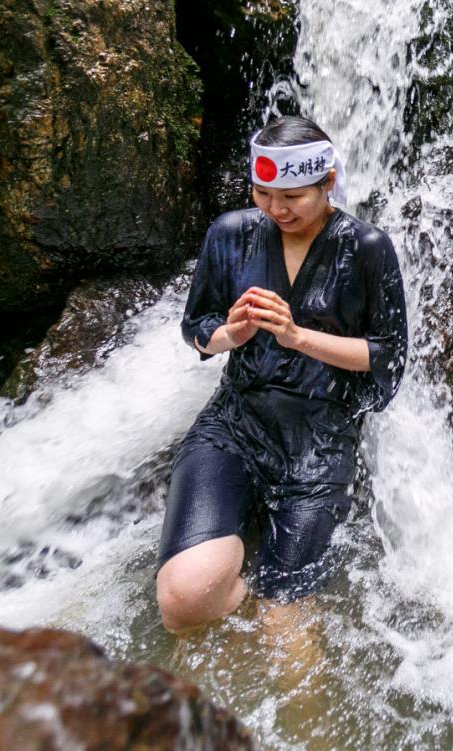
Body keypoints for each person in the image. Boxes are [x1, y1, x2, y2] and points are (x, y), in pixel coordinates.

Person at [155, 115, 407, 632]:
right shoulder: (231, 234)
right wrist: (231, 335)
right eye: (263, 193)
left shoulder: (367, 249)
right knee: (184, 601)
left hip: (319, 437)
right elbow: (196, 327)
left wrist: (297, 338)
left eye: (293, 196)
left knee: (283, 621)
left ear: (328, 182)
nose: (276, 209)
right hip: (234, 424)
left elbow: (389, 356)